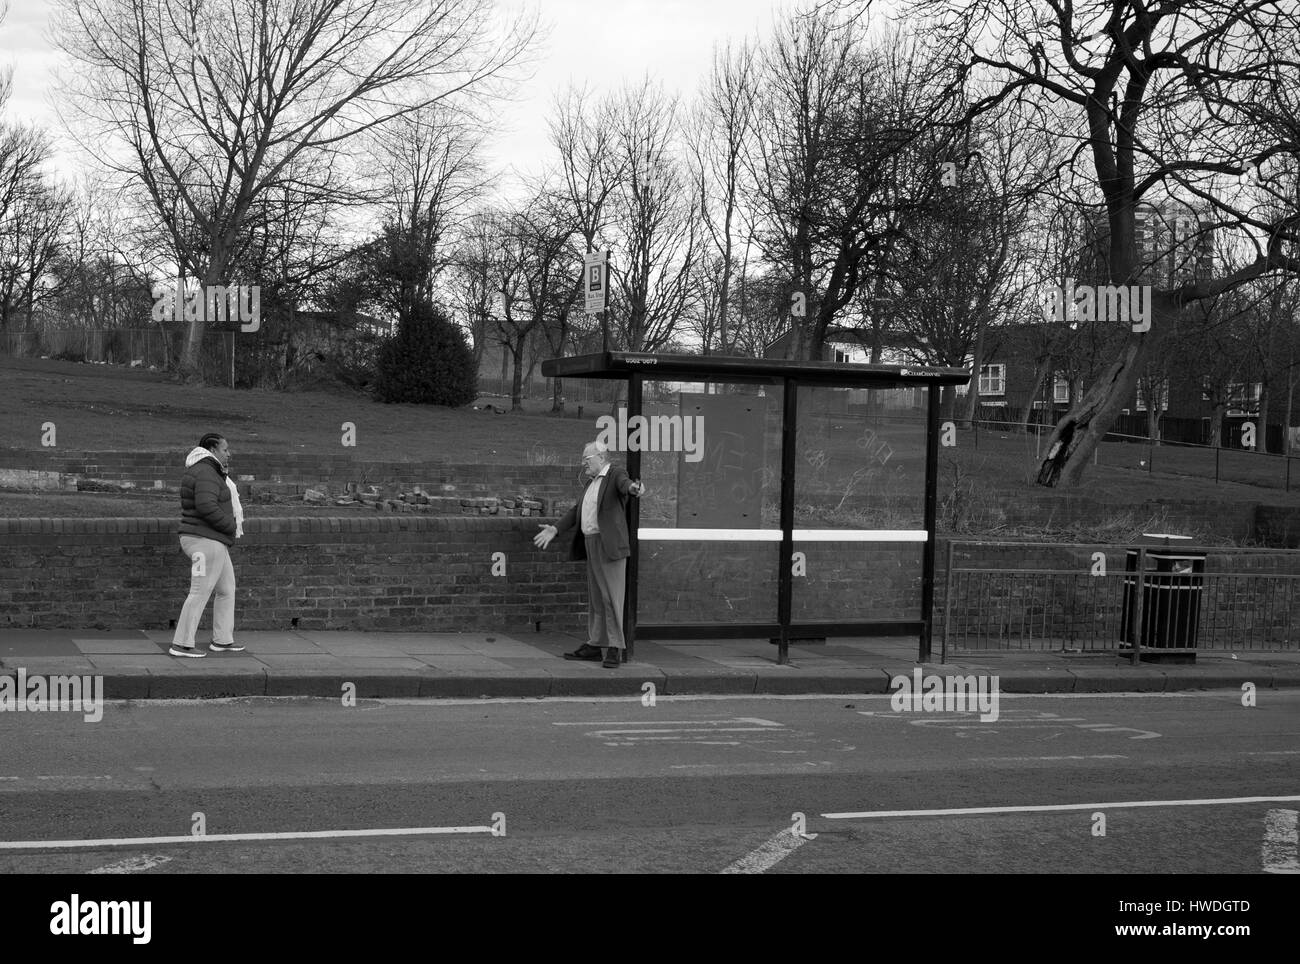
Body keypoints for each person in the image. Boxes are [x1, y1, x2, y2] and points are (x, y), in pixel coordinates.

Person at [534, 441, 646, 668]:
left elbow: (626, 486)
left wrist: (635, 489)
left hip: (609, 546)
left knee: (611, 597)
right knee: (596, 598)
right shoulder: (590, 483)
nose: (583, 462)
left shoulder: (615, 473)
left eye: (587, 458)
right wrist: (555, 529)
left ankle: (616, 647)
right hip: (591, 543)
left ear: (601, 458)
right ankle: (596, 644)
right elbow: (577, 511)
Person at [170, 432, 246, 657]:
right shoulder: (205, 472)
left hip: (213, 541)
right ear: (212, 450)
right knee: (199, 591)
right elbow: (206, 506)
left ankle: (222, 640)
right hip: (205, 542)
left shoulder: (207, 471)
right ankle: (182, 644)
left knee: (226, 589)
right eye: (225, 449)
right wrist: (231, 526)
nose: (229, 454)